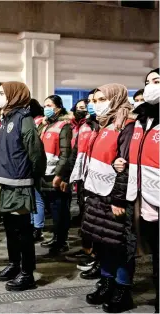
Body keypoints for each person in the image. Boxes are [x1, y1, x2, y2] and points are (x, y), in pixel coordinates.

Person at [80, 83, 135, 313]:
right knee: (103, 242)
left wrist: (119, 200)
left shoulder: (127, 126)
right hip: (96, 194)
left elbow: (126, 166)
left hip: (113, 197)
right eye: (94, 100)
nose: (95, 104)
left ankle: (123, 290)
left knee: (119, 245)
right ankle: (107, 282)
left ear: (116, 98)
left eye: (101, 99)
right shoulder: (105, 125)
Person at [0, 82, 46, 291]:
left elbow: (36, 154)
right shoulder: (6, 119)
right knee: (10, 229)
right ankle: (14, 264)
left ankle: (27, 273)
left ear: (14, 96)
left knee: (23, 231)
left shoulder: (24, 120)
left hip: (20, 184)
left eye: (2, 93)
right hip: (4, 182)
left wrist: (32, 176)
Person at [114, 68, 159, 313]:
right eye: (147, 82)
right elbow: (136, 156)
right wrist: (120, 162)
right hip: (141, 197)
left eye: (157, 81)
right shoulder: (141, 120)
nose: (151, 86)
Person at [65, 97, 100, 270]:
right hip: (83, 176)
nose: (89, 107)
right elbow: (76, 151)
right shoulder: (85, 126)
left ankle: (95, 255)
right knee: (85, 214)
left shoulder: (99, 126)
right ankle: (88, 250)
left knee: (94, 218)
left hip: (97, 179)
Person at [39, 95, 73, 255]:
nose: (46, 108)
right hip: (44, 174)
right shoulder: (46, 125)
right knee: (53, 211)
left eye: (49, 105)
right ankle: (55, 237)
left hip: (56, 175)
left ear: (58, 108)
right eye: (44, 105)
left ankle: (62, 241)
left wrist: (60, 175)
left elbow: (66, 153)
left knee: (60, 211)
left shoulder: (64, 126)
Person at [28, 98, 47, 242]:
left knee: (37, 197)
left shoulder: (39, 122)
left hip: (36, 164)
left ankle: (38, 228)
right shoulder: (33, 122)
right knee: (31, 197)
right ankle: (32, 224)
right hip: (29, 164)